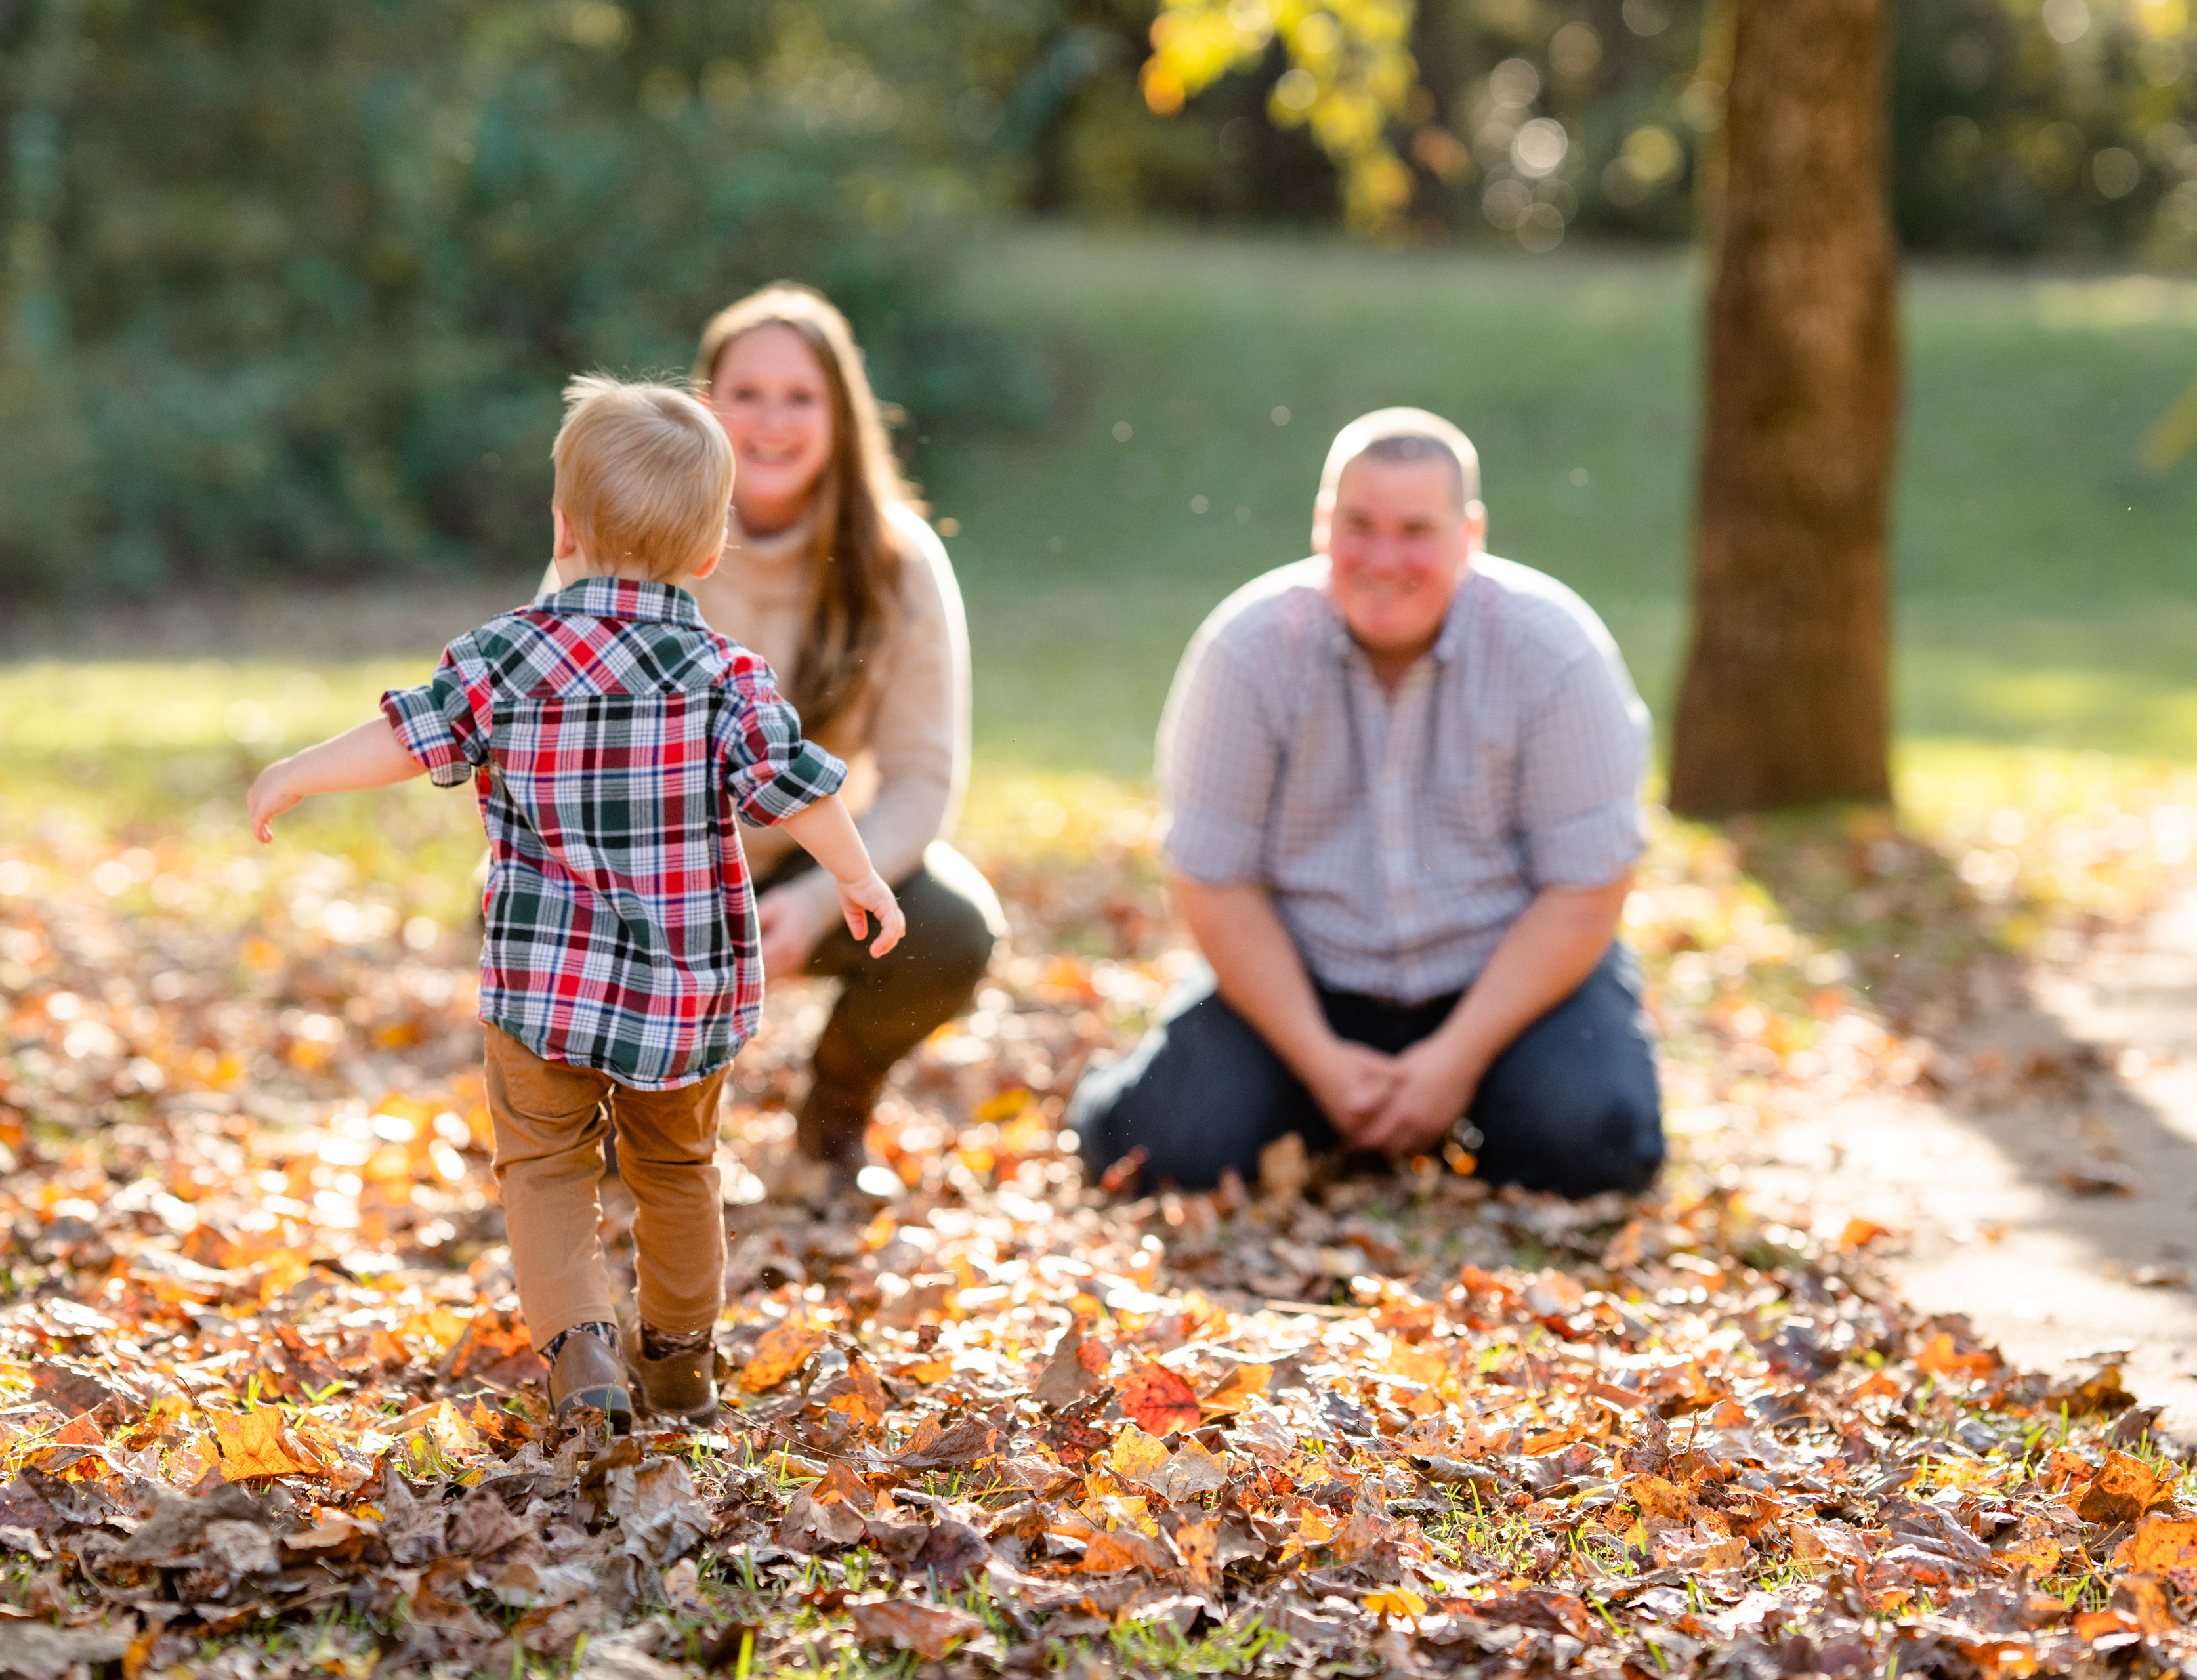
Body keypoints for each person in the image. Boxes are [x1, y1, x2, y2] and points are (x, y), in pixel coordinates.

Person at [246, 377, 904, 1435]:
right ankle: (681, 1356)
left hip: (542, 986)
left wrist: (298, 772)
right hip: (685, 995)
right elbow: (802, 789)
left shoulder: (503, 657)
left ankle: (584, 1352)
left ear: (561, 526)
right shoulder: (727, 677)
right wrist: (858, 877)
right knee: (679, 1171)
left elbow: (405, 737)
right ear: (707, 552)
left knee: (546, 1173)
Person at [1069, 408, 1662, 1199]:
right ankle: (1285, 1099)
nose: (1384, 558)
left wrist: (1456, 1059)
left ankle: (1460, 1105)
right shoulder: (1244, 649)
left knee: (1596, 1146)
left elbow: (1588, 888)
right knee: (1167, 1152)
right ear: (1322, 524)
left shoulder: (1555, 648)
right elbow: (1213, 880)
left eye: (1416, 529)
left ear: (1470, 532)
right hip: (1306, 980)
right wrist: (1316, 1057)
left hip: (1504, 982)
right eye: (1360, 525)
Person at [687, 285, 1002, 1169]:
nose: (772, 422)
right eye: (745, 393)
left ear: (843, 415)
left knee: (948, 930)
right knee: (517, 895)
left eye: (801, 397)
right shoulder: (632, 537)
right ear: (702, 406)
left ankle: (834, 1114)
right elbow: (548, 736)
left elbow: (920, 781)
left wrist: (819, 896)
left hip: (808, 853)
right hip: (648, 853)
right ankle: (593, 1144)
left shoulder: (898, 563)